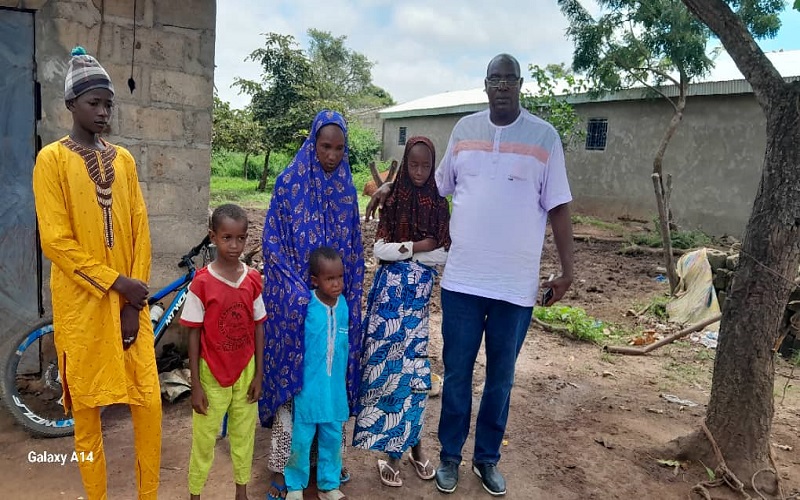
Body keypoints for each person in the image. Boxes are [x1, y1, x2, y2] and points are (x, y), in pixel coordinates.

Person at [366, 53, 574, 496]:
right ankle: (450, 457)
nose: (502, 86)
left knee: (501, 377)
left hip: (515, 287)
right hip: (462, 282)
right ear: (485, 85)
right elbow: (432, 187)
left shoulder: (544, 137)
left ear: (520, 84)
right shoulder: (465, 131)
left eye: (509, 79)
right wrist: (389, 186)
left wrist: (568, 271)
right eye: (494, 79)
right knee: (457, 373)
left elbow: (558, 206)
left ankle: (486, 460)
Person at [31, 46, 161, 499]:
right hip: (81, 309)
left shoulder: (123, 160)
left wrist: (131, 299)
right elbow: (55, 241)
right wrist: (114, 283)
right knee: (86, 414)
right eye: (94, 103)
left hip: (129, 306)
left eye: (109, 104)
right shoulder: (51, 160)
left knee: (149, 403)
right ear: (71, 105)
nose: (104, 111)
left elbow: (140, 231)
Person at [260, 110, 365, 500]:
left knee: (329, 383)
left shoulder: (346, 189)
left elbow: (354, 247)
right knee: (295, 390)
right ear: (312, 142)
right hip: (296, 304)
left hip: (335, 303)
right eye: (325, 146)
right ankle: (285, 470)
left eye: (340, 148)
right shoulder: (289, 183)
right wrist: (299, 295)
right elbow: (272, 242)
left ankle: (327, 470)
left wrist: (346, 292)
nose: (332, 155)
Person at [352, 136, 449, 487]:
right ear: (405, 163)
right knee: (388, 376)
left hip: (417, 305)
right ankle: (392, 451)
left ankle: (416, 448)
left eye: (426, 165)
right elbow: (379, 249)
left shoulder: (439, 203)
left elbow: (444, 254)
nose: (420, 171)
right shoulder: (392, 199)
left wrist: (403, 250)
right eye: (413, 164)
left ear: (433, 164)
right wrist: (419, 246)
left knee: (415, 376)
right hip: (387, 304)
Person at [179, 203, 266, 500]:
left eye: (241, 238)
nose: (234, 245)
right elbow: (193, 332)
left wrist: (259, 375)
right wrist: (196, 384)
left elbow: (258, 326)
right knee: (203, 440)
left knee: (244, 436)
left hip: (246, 370)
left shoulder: (252, 279)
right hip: (211, 373)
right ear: (213, 237)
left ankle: (241, 492)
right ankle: (195, 494)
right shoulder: (201, 283)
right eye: (227, 238)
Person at [284, 247, 350, 500]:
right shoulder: (308, 305)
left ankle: (328, 484)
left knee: (332, 439)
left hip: (334, 390)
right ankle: (295, 485)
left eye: (340, 277)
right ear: (315, 281)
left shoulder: (343, 305)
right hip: (309, 388)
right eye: (330, 278)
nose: (336, 284)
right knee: (301, 438)